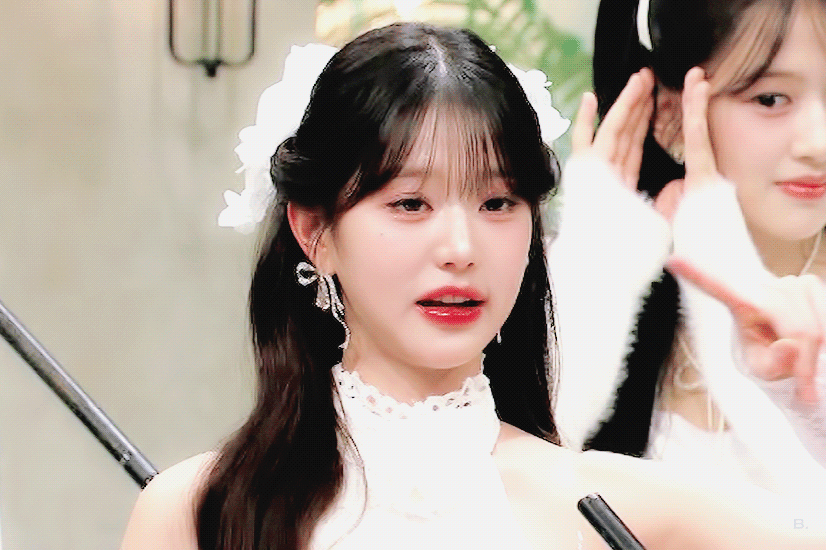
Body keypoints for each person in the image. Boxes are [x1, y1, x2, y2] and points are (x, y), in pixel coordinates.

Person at [120, 22, 826, 550]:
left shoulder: (602, 503)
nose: (461, 249)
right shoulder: (198, 514)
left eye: (496, 203)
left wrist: (805, 409)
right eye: (410, 204)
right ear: (316, 231)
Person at [551, 0, 826, 496]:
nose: (818, 143)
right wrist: (594, 277)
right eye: (770, 99)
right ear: (668, 111)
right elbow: (515, 497)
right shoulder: (601, 275)